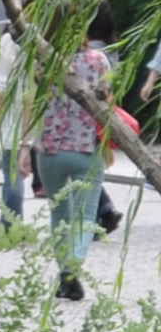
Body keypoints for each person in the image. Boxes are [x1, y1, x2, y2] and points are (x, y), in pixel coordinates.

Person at [37, 32, 119, 301]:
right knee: (85, 216)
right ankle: (71, 270)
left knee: (59, 214)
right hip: (87, 148)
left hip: (50, 148)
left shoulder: (42, 60)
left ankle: (65, 273)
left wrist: (25, 147)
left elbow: (32, 102)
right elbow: (107, 102)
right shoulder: (98, 60)